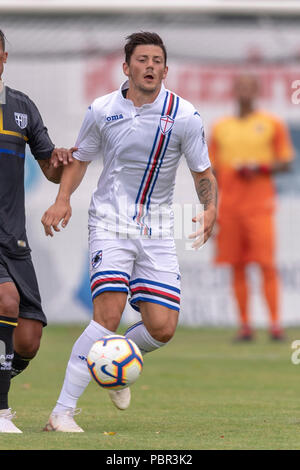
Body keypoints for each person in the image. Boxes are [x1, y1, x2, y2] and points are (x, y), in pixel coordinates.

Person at [41, 31, 217, 433]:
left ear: (166, 70)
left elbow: (202, 172)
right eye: (142, 59)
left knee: (162, 328)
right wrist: (63, 198)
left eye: (157, 60)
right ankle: (61, 412)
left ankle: (114, 361)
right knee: (107, 315)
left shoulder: (184, 115)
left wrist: (211, 209)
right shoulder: (102, 110)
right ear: (126, 67)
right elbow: (80, 159)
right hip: (110, 223)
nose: (150, 66)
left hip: (157, 230)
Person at [0, 30, 75, 433]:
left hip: (14, 237)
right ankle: (0, 412)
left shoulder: (21, 107)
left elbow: (49, 167)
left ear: (4, 57)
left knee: (27, 340)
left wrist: (60, 160)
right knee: (5, 301)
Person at [209, 74, 294, 341]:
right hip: (230, 208)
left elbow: (286, 161)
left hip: (260, 207)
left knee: (266, 265)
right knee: (236, 266)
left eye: (249, 86)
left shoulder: (271, 124)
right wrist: (210, 208)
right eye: (240, 86)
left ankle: (275, 325)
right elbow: (211, 170)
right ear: (234, 90)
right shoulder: (221, 128)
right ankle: (245, 326)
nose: (245, 91)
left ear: (257, 90)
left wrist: (260, 167)